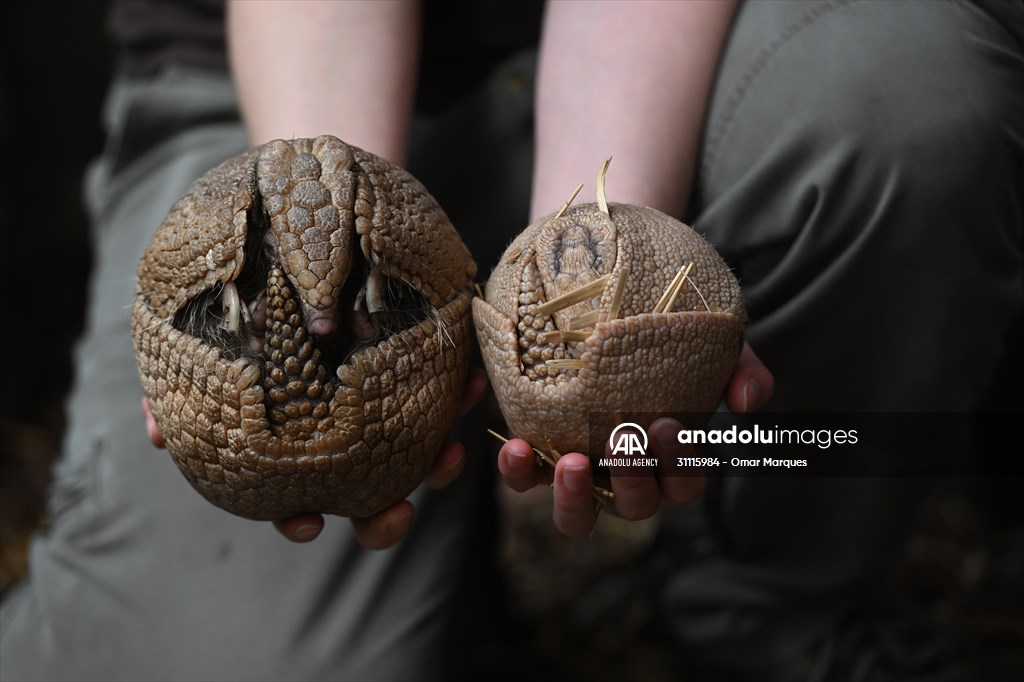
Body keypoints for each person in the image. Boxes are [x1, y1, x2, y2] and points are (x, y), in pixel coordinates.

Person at [2, 1, 1021, 681]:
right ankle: (432, 579)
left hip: (695, 44)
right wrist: (326, 242)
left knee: (902, 107)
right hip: (266, 72)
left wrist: (591, 257)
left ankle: (770, 593)